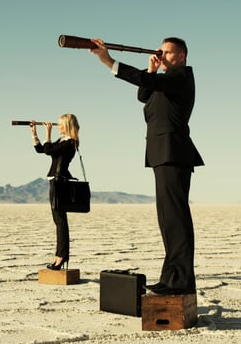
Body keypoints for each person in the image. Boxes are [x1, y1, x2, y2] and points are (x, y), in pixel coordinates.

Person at [90, 37, 203, 295]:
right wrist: (150, 70)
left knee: (176, 218)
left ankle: (182, 281)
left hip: (174, 153)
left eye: (167, 53)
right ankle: (171, 277)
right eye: (160, 52)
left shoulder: (181, 76)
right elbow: (144, 94)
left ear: (182, 56)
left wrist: (108, 61)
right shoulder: (161, 81)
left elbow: (148, 84)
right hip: (161, 154)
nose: (161, 55)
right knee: (167, 220)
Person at [30, 114, 80, 270]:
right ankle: (60, 255)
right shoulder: (62, 141)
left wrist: (48, 134)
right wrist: (34, 133)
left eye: (60, 124)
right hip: (54, 181)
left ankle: (61, 256)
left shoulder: (70, 142)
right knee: (58, 221)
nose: (58, 126)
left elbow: (48, 150)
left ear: (67, 125)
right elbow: (42, 150)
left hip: (60, 182)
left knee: (60, 221)